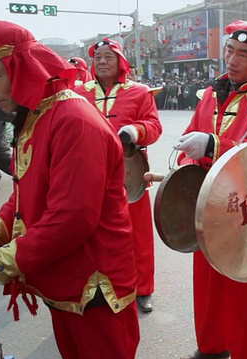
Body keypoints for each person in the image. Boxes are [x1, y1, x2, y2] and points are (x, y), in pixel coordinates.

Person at [0, 20, 139, 359]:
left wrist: (5, 260)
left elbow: (71, 219)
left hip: (93, 284)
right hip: (64, 276)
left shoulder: (72, 119)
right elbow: (27, 185)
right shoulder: (37, 114)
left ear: (24, 68)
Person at [175, 20, 247, 359]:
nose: (233, 60)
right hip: (209, 204)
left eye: (243, 54)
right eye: (229, 51)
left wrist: (213, 144)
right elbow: (190, 136)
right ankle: (211, 348)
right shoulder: (210, 94)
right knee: (207, 287)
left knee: (245, 295)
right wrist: (185, 165)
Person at [74, 38, 162, 313]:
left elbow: (154, 126)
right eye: (98, 57)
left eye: (108, 57)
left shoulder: (139, 92)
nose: (102, 61)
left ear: (121, 62)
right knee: (89, 232)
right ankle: (96, 286)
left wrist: (136, 131)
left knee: (138, 235)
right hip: (87, 175)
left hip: (130, 174)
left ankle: (143, 289)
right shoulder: (77, 93)